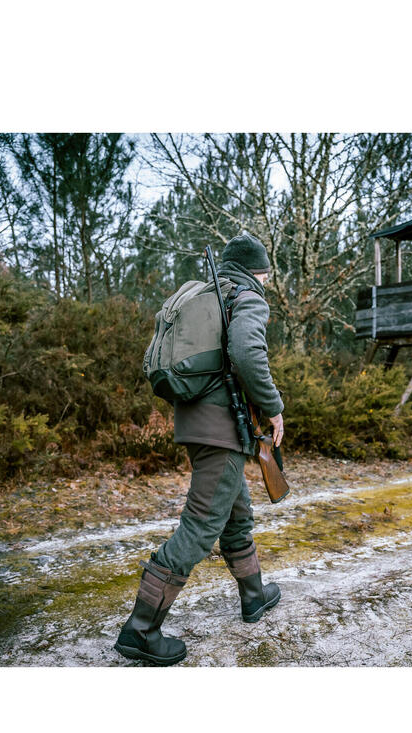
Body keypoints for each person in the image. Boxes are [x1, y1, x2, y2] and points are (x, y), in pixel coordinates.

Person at [114, 232, 285, 666]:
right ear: (258, 270)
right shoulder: (248, 296)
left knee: (235, 512)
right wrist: (274, 407)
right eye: (266, 271)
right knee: (200, 525)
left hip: (196, 424)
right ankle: (141, 630)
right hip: (221, 429)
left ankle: (254, 596)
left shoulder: (210, 293)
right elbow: (247, 352)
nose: (266, 279)